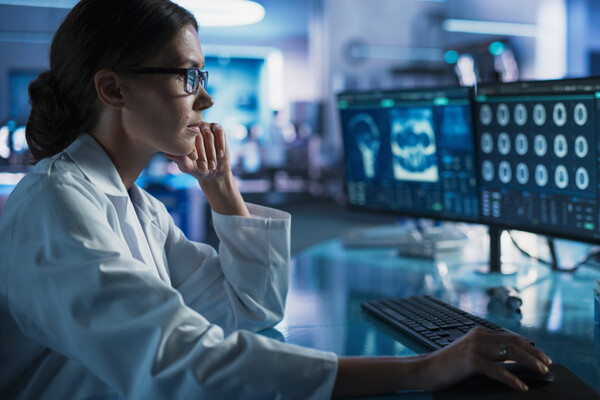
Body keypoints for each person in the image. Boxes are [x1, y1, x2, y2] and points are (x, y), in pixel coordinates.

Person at [0, 1, 552, 399]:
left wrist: (221, 189)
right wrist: (421, 371)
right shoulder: (57, 205)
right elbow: (185, 365)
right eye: (189, 75)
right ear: (114, 89)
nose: (207, 97)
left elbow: (251, 310)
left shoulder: (137, 209)